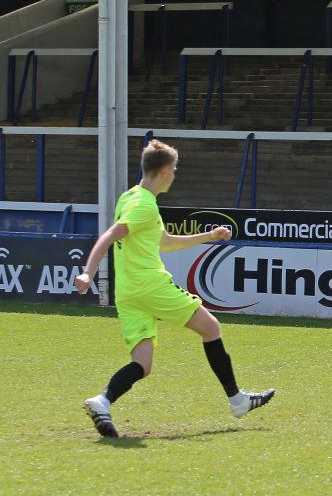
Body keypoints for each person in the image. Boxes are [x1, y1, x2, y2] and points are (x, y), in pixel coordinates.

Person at [74, 139, 274, 437]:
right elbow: (109, 235)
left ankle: (102, 401)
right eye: (175, 169)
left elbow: (164, 242)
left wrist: (209, 236)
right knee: (211, 328)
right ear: (166, 171)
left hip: (128, 293)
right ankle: (238, 401)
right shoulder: (143, 205)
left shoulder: (131, 197)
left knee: (142, 364)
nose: (176, 174)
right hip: (152, 287)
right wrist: (88, 273)